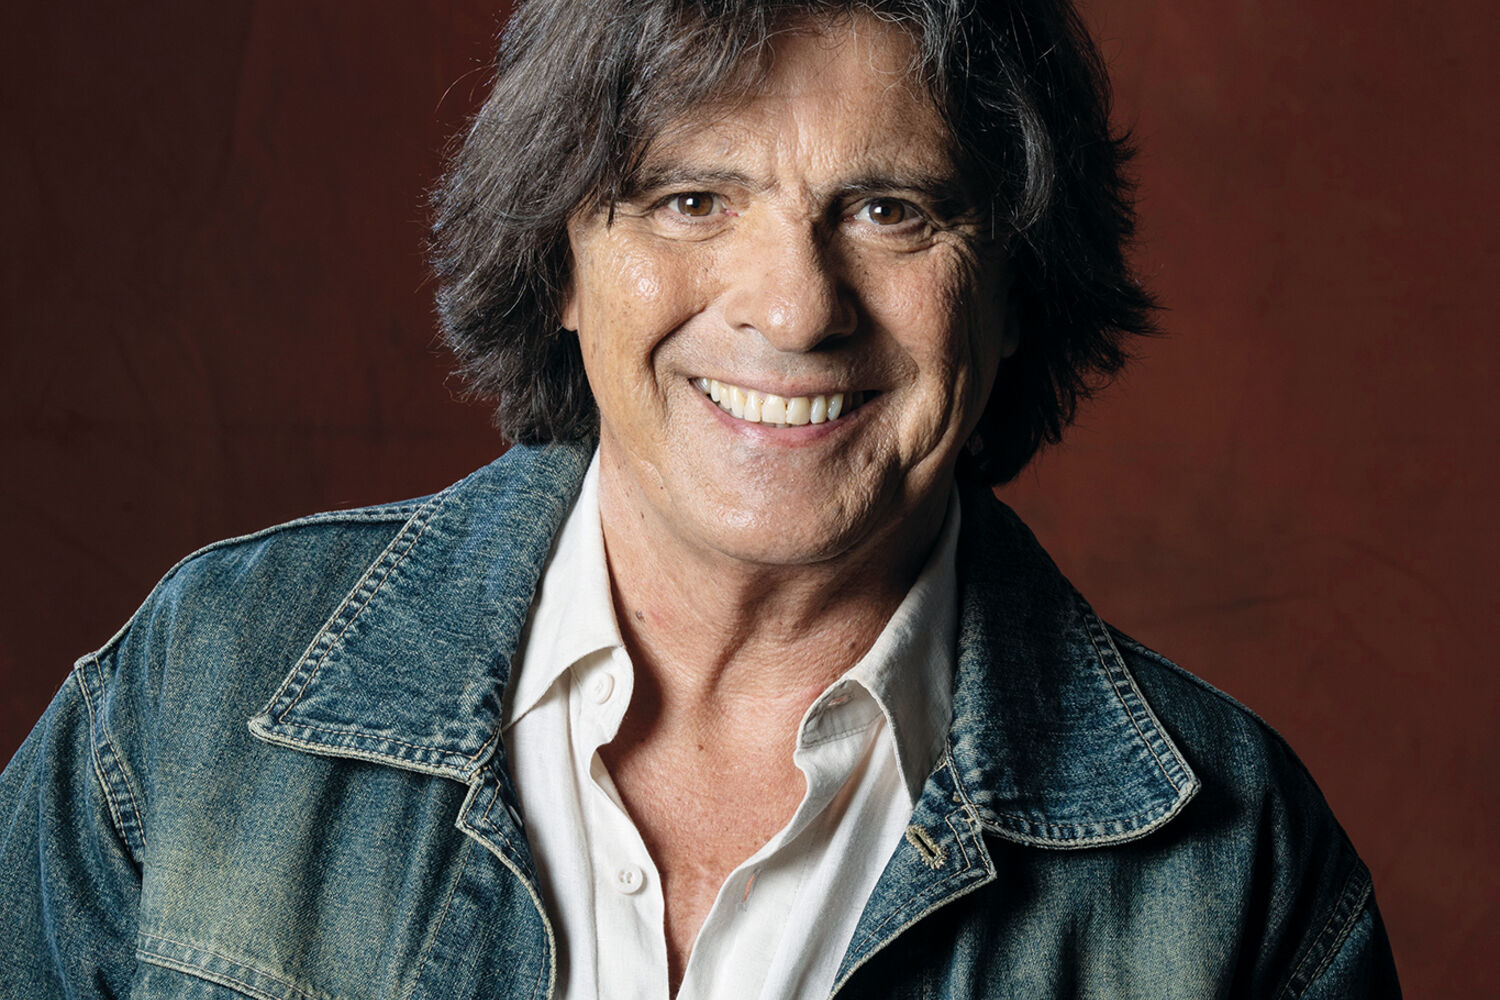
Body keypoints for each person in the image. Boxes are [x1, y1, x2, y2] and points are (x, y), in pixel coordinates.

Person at [0, 1, 1401, 997]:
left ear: (1015, 288)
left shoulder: (1238, 871)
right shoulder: (200, 692)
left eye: (890, 211)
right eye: (690, 200)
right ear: (559, 258)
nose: (793, 309)